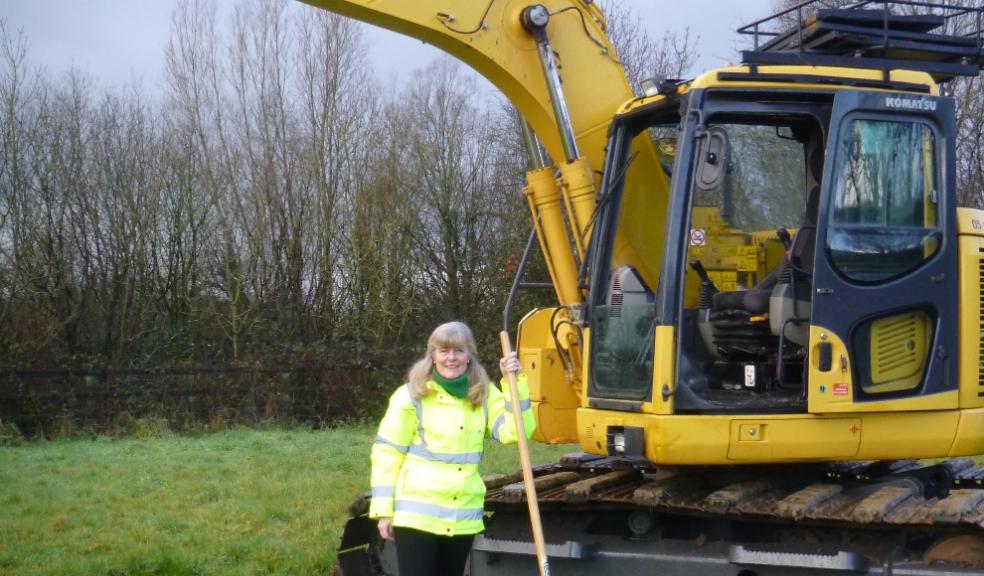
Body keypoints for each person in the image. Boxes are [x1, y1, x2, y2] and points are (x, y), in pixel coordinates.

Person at [368, 321, 535, 576]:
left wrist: (514, 383)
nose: (451, 358)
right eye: (443, 351)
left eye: (459, 351)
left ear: (469, 355)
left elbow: (516, 433)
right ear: (432, 355)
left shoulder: (484, 394)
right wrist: (383, 511)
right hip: (417, 515)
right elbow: (387, 453)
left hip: (461, 516)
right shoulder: (411, 395)